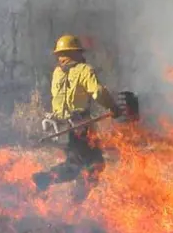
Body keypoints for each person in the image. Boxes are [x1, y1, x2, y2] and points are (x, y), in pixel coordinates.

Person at [31, 34, 121, 198]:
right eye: (79, 52)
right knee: (87, 164)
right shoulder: (83, 70)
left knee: (84, 163)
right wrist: (113, 107)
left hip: (59, 128)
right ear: (75, 53)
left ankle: (76, 200)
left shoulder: (57, 73)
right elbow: (98, 92)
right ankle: (46, 179)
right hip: (78, 127)